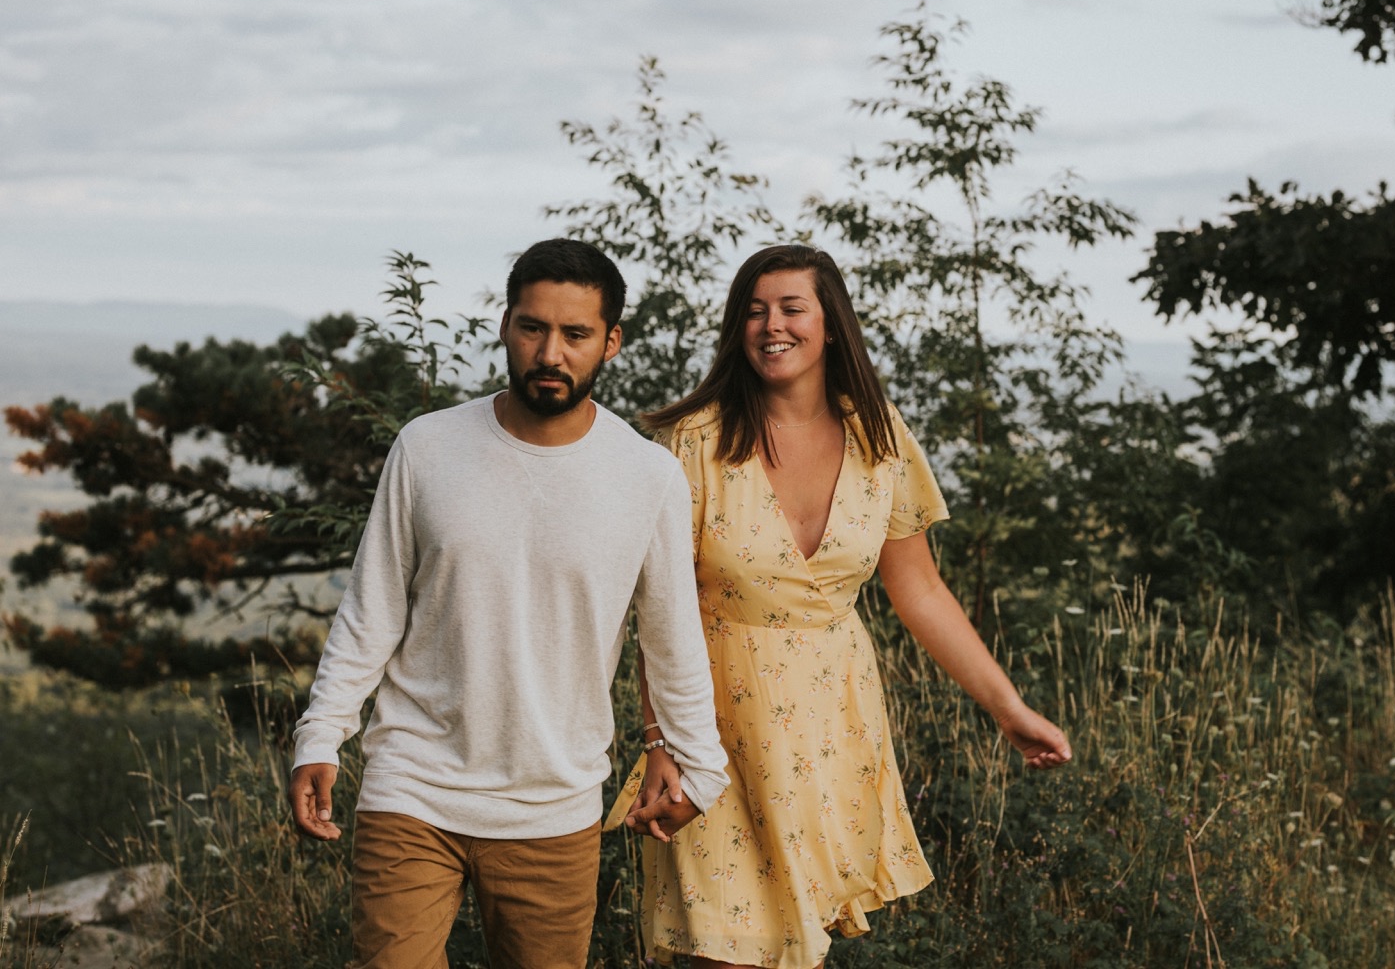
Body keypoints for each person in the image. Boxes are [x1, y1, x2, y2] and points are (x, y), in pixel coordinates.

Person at [614, 244, 1072, 969]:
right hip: (712, 725)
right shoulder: (691, 442)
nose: (772, 326)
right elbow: (658, 608)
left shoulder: (878, 437)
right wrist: (660, 742)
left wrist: (1008, 708)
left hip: (832, 721)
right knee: (721, 949)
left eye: (792, 308)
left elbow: (919, 591)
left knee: (798, 945)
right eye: (754, 312)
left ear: (831, 324)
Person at [288, 237, 729, 969]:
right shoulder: (427, 448)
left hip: (553, 805)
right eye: (533, 328)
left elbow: (671, 636)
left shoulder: (647, 476)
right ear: (505, 325)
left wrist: (701, 768)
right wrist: (320, 733)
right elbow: (372, 613)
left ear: (611, 343)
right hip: (414, 787)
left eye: (575, 334)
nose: (549, 352)